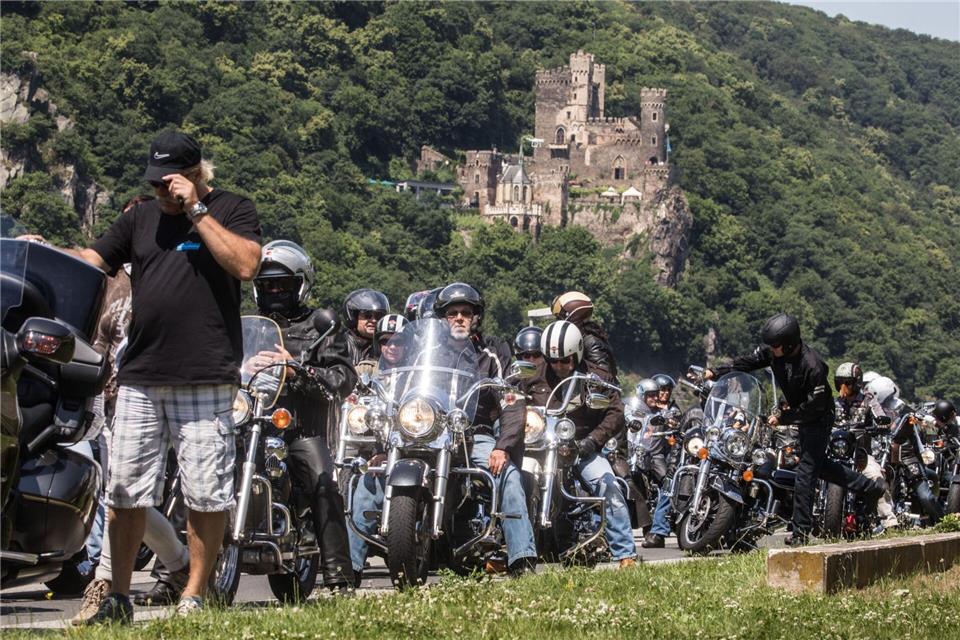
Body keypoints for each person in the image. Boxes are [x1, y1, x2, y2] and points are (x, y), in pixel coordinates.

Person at [69, 129, 261, 622]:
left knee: (206, 492)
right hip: (141, 374)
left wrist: (198, 211)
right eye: (155, 183)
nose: (161, 193)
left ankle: (194, 595)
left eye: (168, 183)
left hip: (205, 374)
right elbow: (94, 261)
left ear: (196, 175)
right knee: (125, 490)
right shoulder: (139, 215)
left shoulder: (233, 208)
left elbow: (246, 265)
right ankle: (118, 597)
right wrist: (46, 255)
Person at [705, 313, 883, 546]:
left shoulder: (814, 367)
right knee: (819, 467)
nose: (771, 348)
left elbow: (813, 406)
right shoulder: (775, 352)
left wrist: (784, 417)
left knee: (805, 475)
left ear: (788, 343)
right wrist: (718, 371)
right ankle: (869, 488)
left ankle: (800, 533)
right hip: (798, 414)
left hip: (818, 418)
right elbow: (749, 362)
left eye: (775, 345)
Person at [251, 240, 357, 591]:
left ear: (301, 283)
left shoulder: (321, 326)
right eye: (267, 285)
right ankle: (174, 574)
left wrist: (298, 370)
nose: (275, 290)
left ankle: (339, 576)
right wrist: (239, 366)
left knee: (323, 479)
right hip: (249, 424)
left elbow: (343, 379)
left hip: (299, 428)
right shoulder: (247, 326)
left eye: (282, 283)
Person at [519, 320, 638, 568]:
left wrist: (592, 441)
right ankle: (509, 549)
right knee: (516, 481)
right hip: (539, 448)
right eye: (554, 360)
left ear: (578, 353)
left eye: (565, 360)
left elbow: (615, 413)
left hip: (581, 448)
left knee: (609, 485)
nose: (559, 365)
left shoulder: (595, 377)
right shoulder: (534, 373)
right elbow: (513, 397)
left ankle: (625, 553)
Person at [833, 362, 898, 531]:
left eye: (847, 382)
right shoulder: (833, 403)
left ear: (856, 382)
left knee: (876, 476)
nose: (843, 386)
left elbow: (881, 417)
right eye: (840, 382)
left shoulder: (868, 401)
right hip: (834, 453)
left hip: (859, 455)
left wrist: (881, 423)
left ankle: (889, 521)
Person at [631, 378, 674, 549]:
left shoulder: (662, 414)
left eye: (656, 395)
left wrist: (672, 422)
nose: (655, 398)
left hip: (655, 456)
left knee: (669, 484)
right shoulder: (629, 410)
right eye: (651, 395)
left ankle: (659, 530)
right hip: (630, 454)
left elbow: (673, 419)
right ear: (641, 395)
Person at [550, 291, 617, 378]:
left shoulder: (591, 341)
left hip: (592, 390)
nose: (557, 322)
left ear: (572, 316)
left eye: (559, 318)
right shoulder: (573, 338)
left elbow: (604, 376)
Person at [341, 289, 390, 366]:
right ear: (354, 317)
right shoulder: (340, 343)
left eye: (379, 316)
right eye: (368, 315)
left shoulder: (388, 345)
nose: (373, 320)